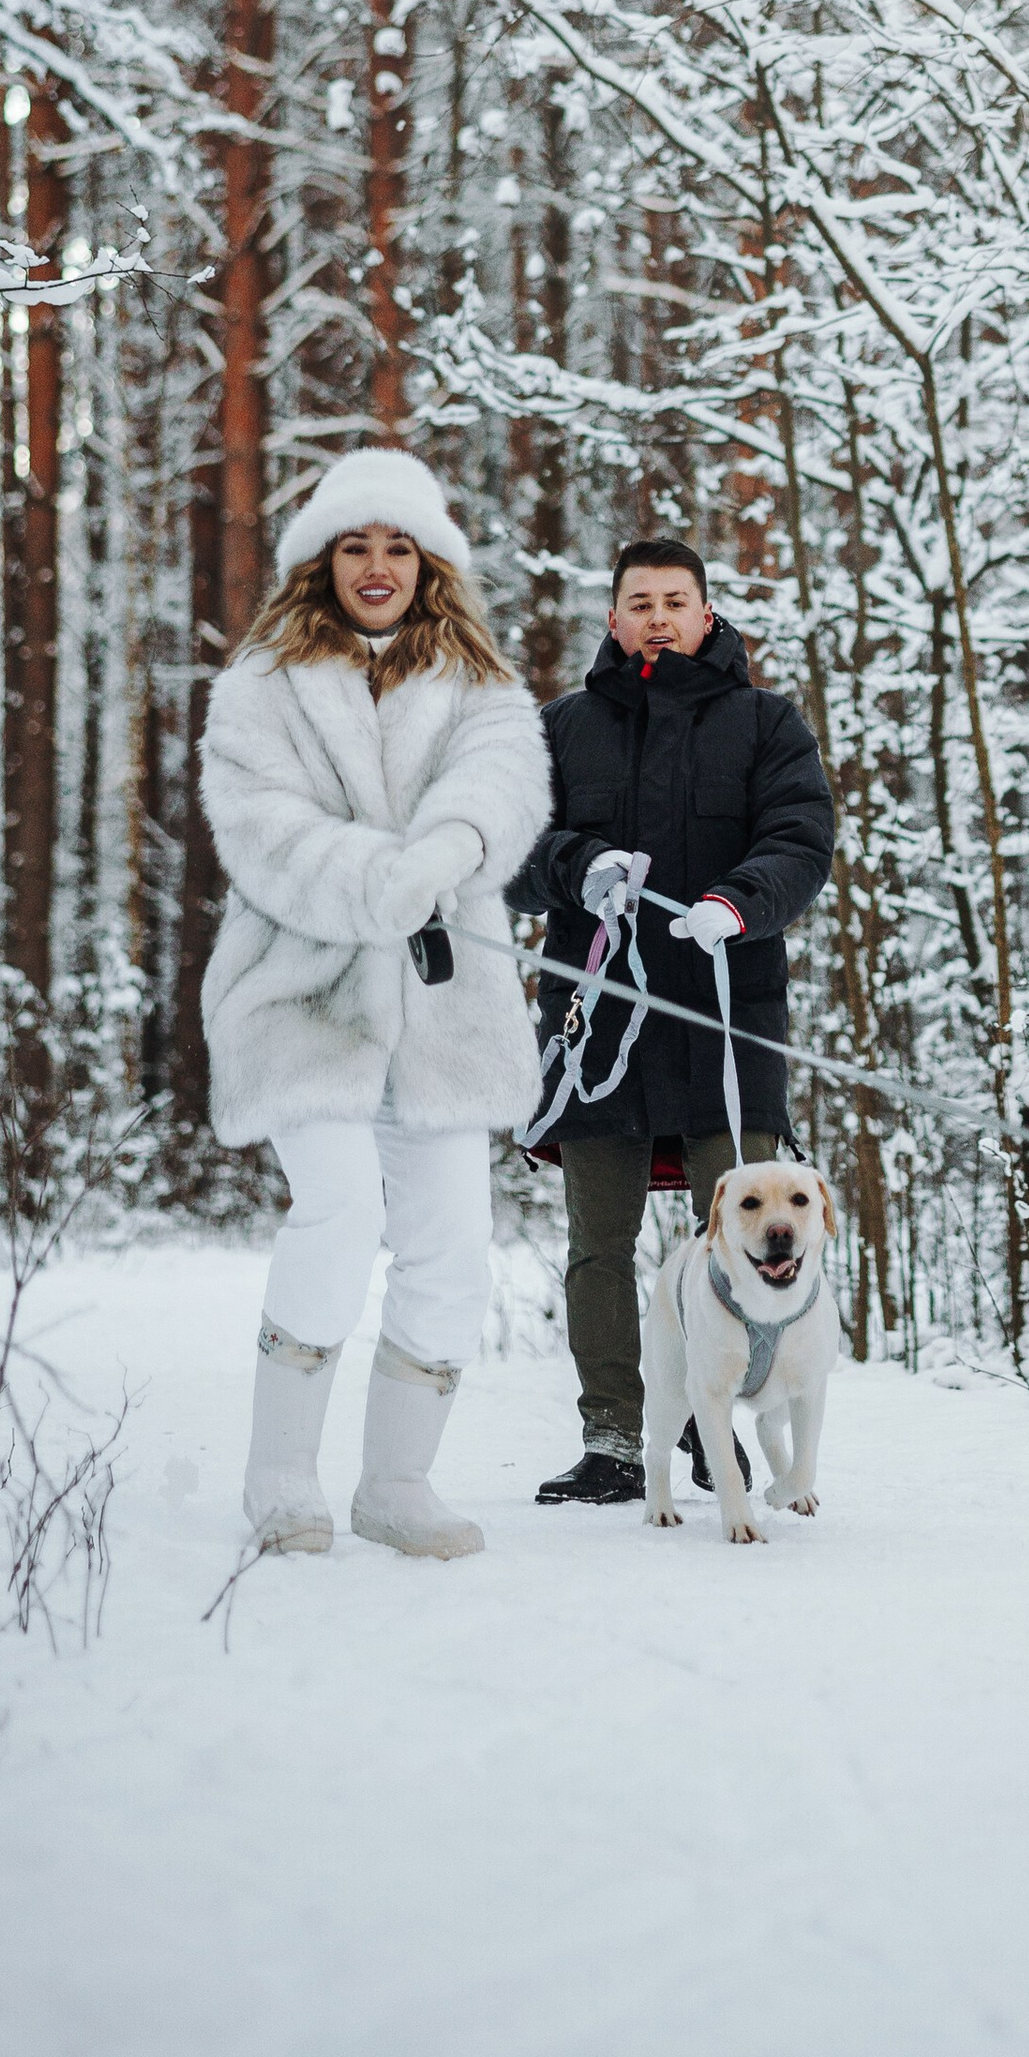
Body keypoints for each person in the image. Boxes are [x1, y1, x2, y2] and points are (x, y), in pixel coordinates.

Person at [199, 449, 549, 1560]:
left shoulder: (482, 684)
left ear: (430, 562)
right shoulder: (260, 686)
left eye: (399, 546)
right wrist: (375, 881)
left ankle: (397, 1483)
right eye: (357, 545)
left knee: (453, 1246)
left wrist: (444, 848)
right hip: (303, 998)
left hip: (447, 1010)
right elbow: (261, 830)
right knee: (340, 1210)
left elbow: (502, 783)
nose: (378, 565)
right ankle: (281, 1479)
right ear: (322, 560)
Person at [509, 535, 835, 1505]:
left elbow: (801, 838)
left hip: (728, 1025)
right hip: (595, 1027)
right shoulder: (560, 729)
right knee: (598, 1246)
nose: (658, 616)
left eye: (675, 600)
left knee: (731, 1232)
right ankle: (613, 1438)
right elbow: (514, 852)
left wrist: (741, 902)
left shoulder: (767, 723)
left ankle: (710, 1424)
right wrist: (579, 867)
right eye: (639, 602)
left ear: (706, 616)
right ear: (613, 620)